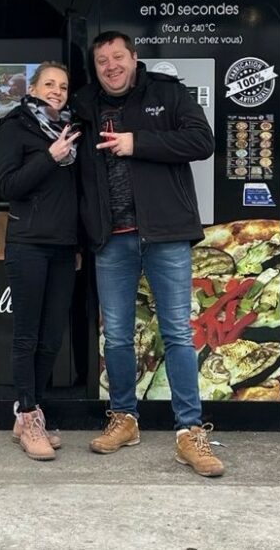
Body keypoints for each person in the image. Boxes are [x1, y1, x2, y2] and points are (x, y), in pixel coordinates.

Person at [72, 31, 224, 477]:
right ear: (95, 66)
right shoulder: (84, 106)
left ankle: (189, 433)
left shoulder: (168, 94)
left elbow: (202, 142)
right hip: (111, 239)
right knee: (116, 335)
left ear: (134, 58)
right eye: (102, 60)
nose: (111, 66)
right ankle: (124, 419)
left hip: (165, 233)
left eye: (118, 57)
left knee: (177, 331)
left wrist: (138, 143)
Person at [0, 61, 81, 462]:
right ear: (33, 87)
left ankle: (33, 412)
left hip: (64, 247)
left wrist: (80, 240)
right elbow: (8, 186)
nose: (57, 91)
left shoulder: (72, 129)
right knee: (27, 337)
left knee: (51, 339)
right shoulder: (13, 127)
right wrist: (49, 156)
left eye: (62, 86)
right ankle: (27, 415)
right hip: (27, 243)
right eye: (49, 83)